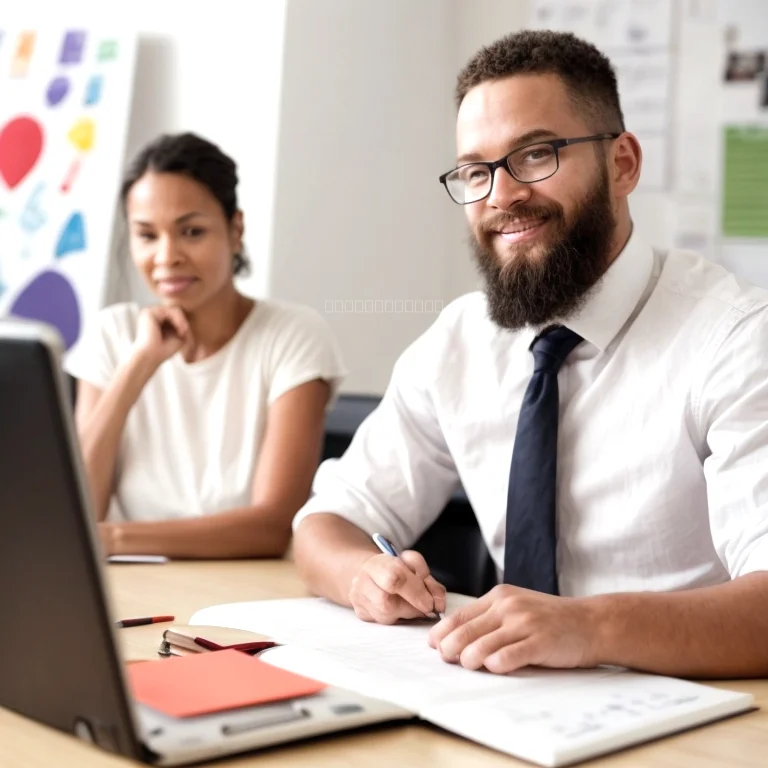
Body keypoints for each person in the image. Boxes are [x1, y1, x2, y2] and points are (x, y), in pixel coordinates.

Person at [290, 30, 768, 679]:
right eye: (475, 170)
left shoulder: (737, 339)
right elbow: (325, 522)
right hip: (507, 698)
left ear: (623, 164)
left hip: (693, 707)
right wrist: (363, 576)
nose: (501, 195)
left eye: (536, 154)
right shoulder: (459, 341)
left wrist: (589, 626)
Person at [66, 132, 346, 559]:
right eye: (147, 235)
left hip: (245, 583)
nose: (167, 257)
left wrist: (114, 539)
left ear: (236, 230)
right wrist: (137, 366)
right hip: (131, 581)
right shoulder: (113, 333)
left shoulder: (293, 335)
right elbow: (76, 511)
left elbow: (271, 526)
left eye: (191, 231)